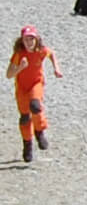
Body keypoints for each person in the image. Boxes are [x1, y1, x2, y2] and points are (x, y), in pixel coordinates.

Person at [9, 24, 62, 163]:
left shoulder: (41, 51)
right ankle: (27, 145)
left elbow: (51, 54)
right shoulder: (19, 55)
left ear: (37, 39)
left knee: (36, 106)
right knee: (25, 118)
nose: (29, 42)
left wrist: (56, 68)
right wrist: (20, 67)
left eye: (31, 39)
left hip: (36, 84)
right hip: (21, 89)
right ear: (22, 41)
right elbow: (9, 74)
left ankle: (39, 131)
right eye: (26, 39)